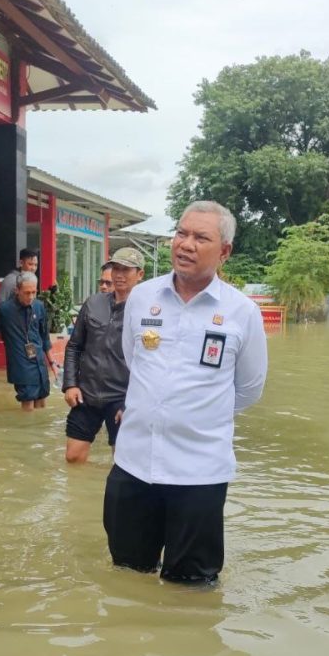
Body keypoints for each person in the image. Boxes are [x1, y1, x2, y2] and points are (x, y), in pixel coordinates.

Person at [105, 201, 268, 584]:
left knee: (192, 588)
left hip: (199, 474)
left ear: (224, 251)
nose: (186, 244)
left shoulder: (241, 312)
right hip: (134, 466)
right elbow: (135, 362)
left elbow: (247, 389)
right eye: (181, 233)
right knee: (127, 576)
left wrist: (193, 416)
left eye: (201, 237)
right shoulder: (142, 298)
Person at [63, 247, 145, 464]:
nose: (119, 274)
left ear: (140, 274)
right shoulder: (93, 303)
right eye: (116, 268)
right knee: (73, 458)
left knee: (122, 462)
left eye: (126, 269)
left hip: (121, 397)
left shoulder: (147, 312)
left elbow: (151, 364)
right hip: (86, 394)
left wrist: (133, 403)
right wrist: (70, 384)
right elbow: (74, 347)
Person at [0, 272, 57, 411]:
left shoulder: (39, 306)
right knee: (28, 405)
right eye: (27, 293)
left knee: (42, 403)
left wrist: (52, 363)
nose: (31, 297)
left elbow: (44, 337)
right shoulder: (5, 309)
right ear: (17, 290)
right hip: (21, 365)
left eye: (34, 292)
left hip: (39, 363)